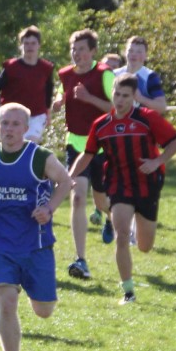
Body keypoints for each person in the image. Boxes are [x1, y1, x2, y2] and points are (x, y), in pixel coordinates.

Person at [0, 103, 73, 351]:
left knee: (44, 311)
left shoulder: (40, 157)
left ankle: (30, 287)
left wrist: (49, 209)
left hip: (35, 244)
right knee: (6, 303)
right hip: (0, 244)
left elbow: (65, 182)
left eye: (16, 124)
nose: (10, 129)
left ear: (26, 129)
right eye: (5, 123)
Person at [69, 73, 176, 304]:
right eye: (116, 94)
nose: (119, 100)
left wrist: (157, 162)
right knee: (122, 236)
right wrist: (68, 177)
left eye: (125, 96)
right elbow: (88, 153)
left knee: (144, 246)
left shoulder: (147, 118)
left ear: (134, 97)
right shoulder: (101, 124)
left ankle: (133, 224)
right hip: (119, 184)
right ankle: (128, 292)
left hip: (148, 184)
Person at [51, 29, 114, 278]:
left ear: (93, 51)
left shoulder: (104, 74)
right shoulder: (65, 74)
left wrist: (89, 98)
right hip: (76, 144)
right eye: (74, 49)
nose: (77, 54)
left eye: (82, 49)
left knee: (100, 201)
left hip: (101, 146)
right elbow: (61, 92)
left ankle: (109, 217)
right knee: (77, 197)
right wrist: (58, 102)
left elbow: (115, 107)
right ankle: (81, 259)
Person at [0, 26, 55, 144]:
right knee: (14, 146)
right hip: (12, 115)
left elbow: (49, 91)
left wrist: (48, 112)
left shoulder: (46, 68)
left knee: (29, 144)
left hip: (36, 115)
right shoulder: (11, 67)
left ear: (39, 45)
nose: (30, 47)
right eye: (26, 43)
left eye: (33, 43)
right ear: (21, 46)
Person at [114, 36, 168, 115]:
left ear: (146, 55)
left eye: (139, 52)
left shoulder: (150, 76)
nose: (134, 54)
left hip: (141, 123)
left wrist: (141, 98)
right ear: (125, 52)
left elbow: (162, 107)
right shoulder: (114, 74)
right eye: (130, 50)